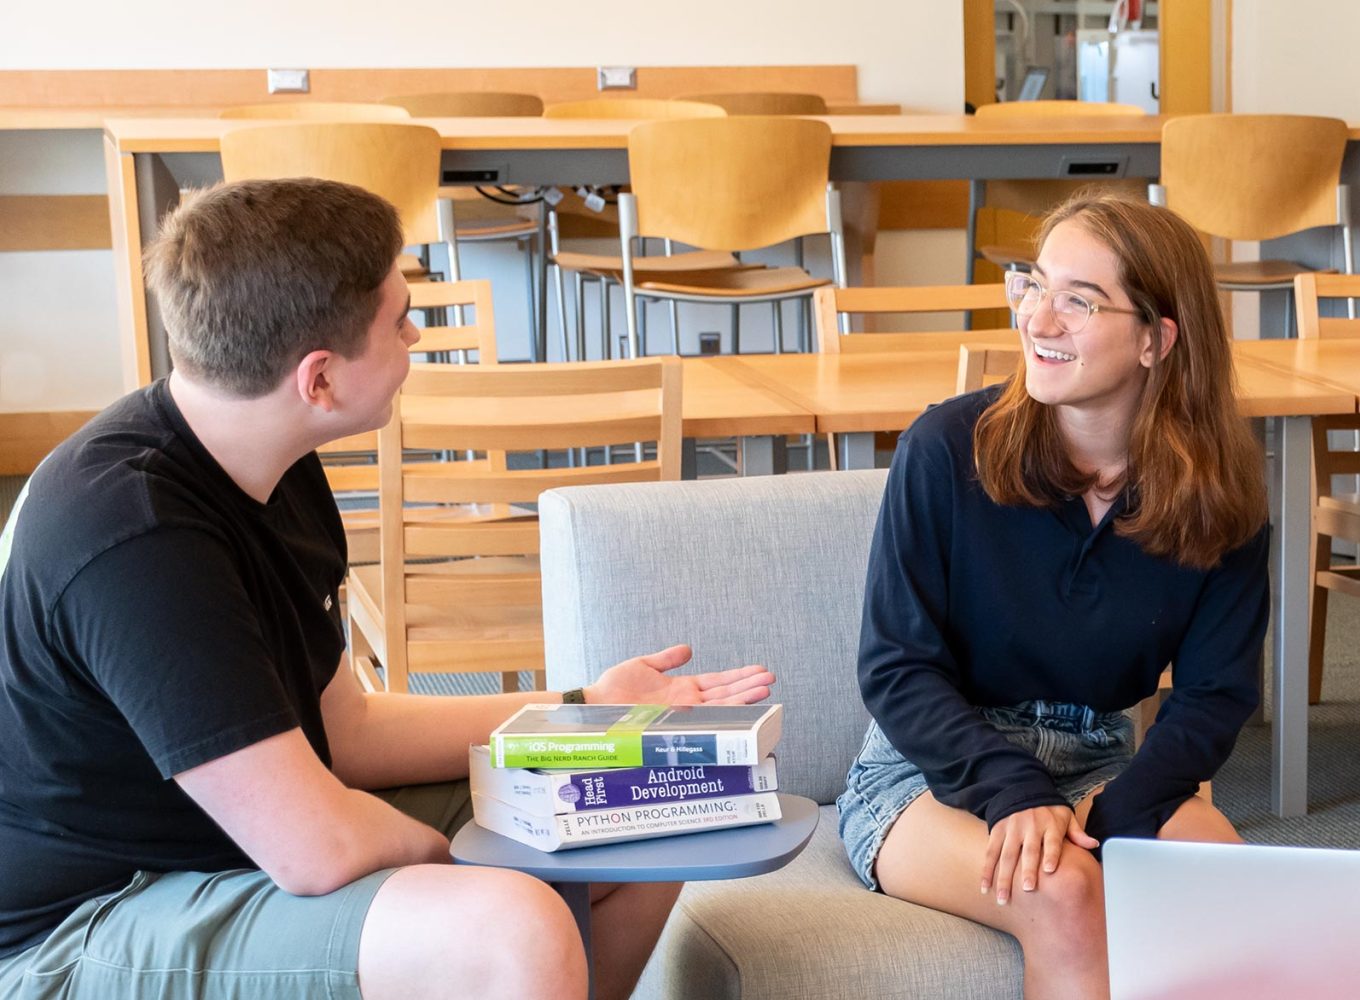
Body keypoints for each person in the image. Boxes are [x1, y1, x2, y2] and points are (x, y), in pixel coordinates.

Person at [0, 178, 776, 1000]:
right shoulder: (135, 538)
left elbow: (351, 731)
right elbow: (317, 848)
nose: (417, 335)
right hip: (91, 917)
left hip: (252, 835)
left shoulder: (273, 463)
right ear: (321, 381)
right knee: (512, 924)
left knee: (641, 803)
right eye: (399, 320)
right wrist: (491, 865)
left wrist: (589, 710)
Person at [841, 194, 1269, 1000]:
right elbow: (897, 667)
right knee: (1065, 893)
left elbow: (1216, 695)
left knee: (1221, 882)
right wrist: (1013, 793)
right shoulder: (944, 448)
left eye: (1078, 299)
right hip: (930, 771)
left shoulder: (1222, 496)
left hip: (1098, 763)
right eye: (1033, 286)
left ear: (1156, 339)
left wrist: (1117, 812)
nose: (1039, 319)